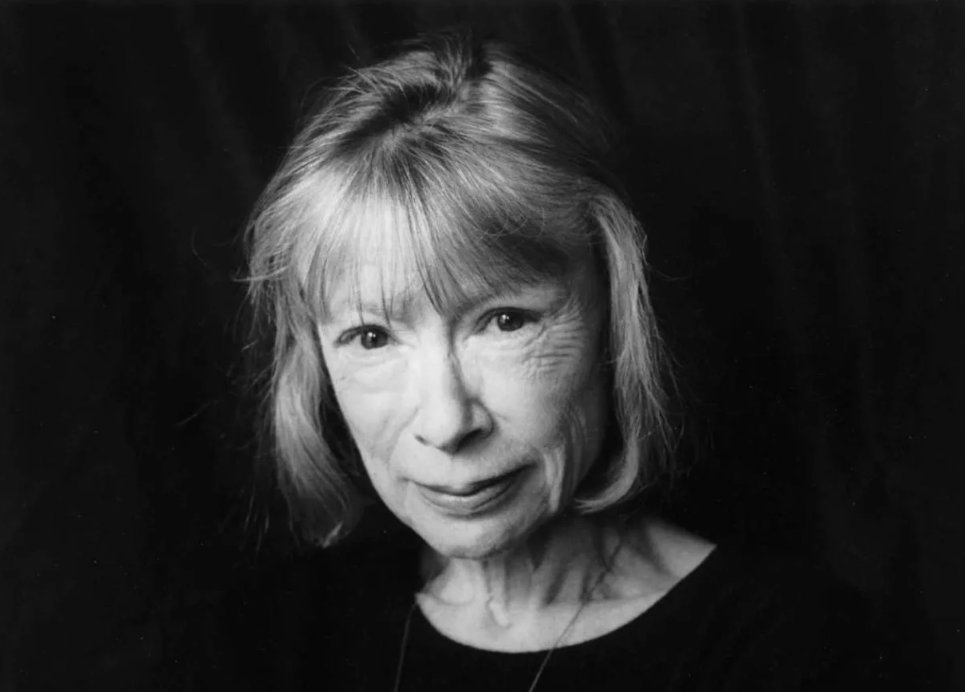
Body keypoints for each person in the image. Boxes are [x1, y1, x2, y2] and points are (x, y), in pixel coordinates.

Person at [233, 30, 889, 692]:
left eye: (505, 321)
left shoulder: (786, 648)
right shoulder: (278, 634)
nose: (447, 423)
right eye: (372, 337)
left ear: (615, 317)